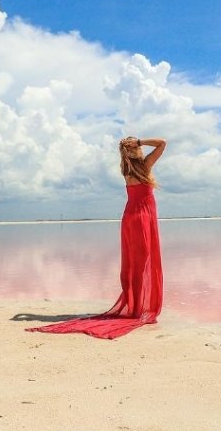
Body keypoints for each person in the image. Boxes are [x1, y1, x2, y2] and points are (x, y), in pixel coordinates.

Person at [26, 136, 166, 339]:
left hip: (130, 218)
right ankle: (139, 308)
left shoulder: (126, 170)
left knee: (134, 263)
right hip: (142, 218)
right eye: (137, 147)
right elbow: (162, 143)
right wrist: (141, 141)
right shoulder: (144, 166)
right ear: (136, 150)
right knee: (144, 261)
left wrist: (133, 145)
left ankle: (136, 306)